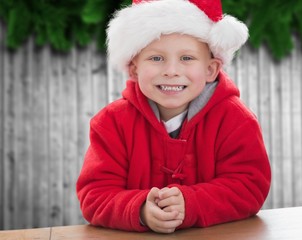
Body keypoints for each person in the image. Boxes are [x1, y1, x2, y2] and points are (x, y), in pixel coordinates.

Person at [76, 0, 271, 234]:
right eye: (156, 58)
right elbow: (95, 195)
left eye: (187, 58)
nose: (171, 71)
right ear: (134, 69)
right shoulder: (111, 123)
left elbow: (249, 187)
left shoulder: (236, 120)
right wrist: (139, 211)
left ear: (210, 69)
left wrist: (190, 203)